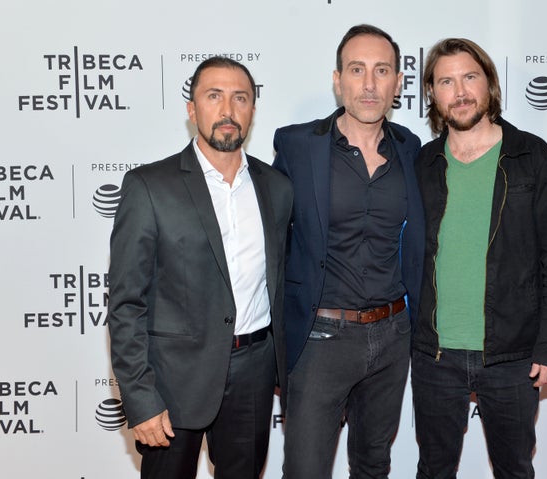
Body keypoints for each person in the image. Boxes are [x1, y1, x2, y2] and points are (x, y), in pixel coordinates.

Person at [107, 56, 293, 479]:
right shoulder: (149, 187)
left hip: (254, 373)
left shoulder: (277, 188)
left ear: (252, 110)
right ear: (192, 110)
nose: (227, 110)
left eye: (240, 98)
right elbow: (125, 305)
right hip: (173, 381)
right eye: (214, 96)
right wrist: (141, 398)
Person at [411, 38, 547, 479]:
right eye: (446, 81)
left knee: (514, 470)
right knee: (433, 470)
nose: (460, 91)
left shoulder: (531, 156)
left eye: (470, 77)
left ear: (489, 83)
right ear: (432, 93)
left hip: (513, 357)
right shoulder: (423, 163)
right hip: (434, 354)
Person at [272, 24, 425, 479]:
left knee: (374, 465)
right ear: (338, 80)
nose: (370, 83)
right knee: (305, 470)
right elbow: (274, 241)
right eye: (357, 70)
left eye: (382, 71)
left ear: (398, 83)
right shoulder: (297, 146)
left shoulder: (412, 149)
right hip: (321, 337)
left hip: (393, 335)